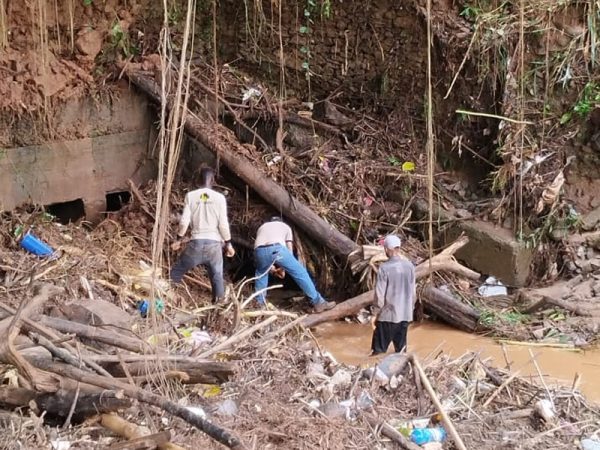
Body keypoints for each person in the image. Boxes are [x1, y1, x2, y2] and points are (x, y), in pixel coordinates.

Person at [170, 167, 235, 303]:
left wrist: (178, 239)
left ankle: (165, 299)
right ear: (213, 180)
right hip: (214, 246)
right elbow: (223, 224)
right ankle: (218, 308)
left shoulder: (191, 196)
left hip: (196, 245)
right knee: (217, 277)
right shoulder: (220, 198)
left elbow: (184, 221)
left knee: (176, 272)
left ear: (199, 180)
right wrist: (228, 243)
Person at [253, 216, 335, 313]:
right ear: (280, 222)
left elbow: (265, 254)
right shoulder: (285, 227)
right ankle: (318, 302)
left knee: (261, 274)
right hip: (277, 248)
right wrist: (285, 267)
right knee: (300, 272)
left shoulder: (262, 227)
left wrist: (274, 269)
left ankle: (259, 304)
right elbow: (289, 249)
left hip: (259, 251)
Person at [370, 235, 416, 355]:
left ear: (386, 249)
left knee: (377, 353)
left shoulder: (384, 268)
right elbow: (413, 293)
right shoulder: (410, 266)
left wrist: (374, 314)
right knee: (401, 353)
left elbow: (379, 295)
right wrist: (410, 310)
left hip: (388, 316)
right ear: (398, 248)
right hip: (405, 316)